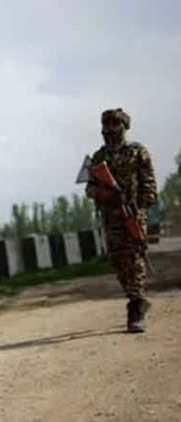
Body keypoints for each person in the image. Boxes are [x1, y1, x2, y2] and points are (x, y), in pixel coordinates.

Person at [85, 108, 157, 332]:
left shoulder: (137, 152)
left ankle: (136, 305)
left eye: (115, 124)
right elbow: (89, 188)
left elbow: (149, 185)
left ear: (125, 126)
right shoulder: (98, 157)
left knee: (134, 256)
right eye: (107, 124)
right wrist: (106, 195)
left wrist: (140, 206)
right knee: (118, 261)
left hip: (134, 214)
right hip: (111, 216)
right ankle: (134, 296)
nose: (110, 129)